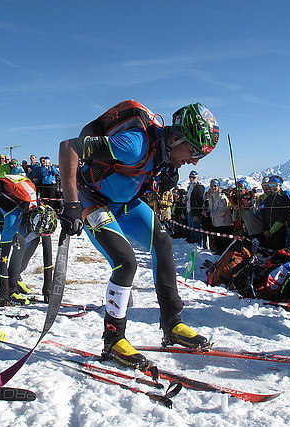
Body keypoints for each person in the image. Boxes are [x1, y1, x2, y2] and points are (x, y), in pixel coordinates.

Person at [58, 101, 219, 369]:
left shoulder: (164, 154)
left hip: (124, 202)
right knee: (126, 262)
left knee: (162, 242)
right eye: (194, 151)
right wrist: (71, 204)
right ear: (177, 137)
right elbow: (69, 147)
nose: (194, 160)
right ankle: (113, 340)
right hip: (94, 201)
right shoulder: (134, 145)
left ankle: (172, 324)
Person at [0, 192, 56, 306]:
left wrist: (48, 286)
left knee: (34, 239)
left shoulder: (43, 214)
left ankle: (15, 276)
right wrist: (5, 290)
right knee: (20, 243)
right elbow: (3, 256)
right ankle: (12, 287)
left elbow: (47, 251)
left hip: (21, 212)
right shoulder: (13, 217)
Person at [260, 176, 290, 250]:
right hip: (268, 230)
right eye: (271, 185)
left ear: (280, 186)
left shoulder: (284, 198)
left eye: (276, 185)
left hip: (279, 230)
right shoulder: (268, 198)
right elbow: (263, 214)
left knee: (279, 250)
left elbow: (282, 217)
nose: (273, 187)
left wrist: (272, 231)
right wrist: (264, 229)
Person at [205, 179, 233, 254]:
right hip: (215, 223)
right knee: (217, 243)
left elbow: (222, 211)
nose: (213, 188)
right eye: (211, 186)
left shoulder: (222, 197)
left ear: (218, 186)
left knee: (224, 244)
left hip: (224, 223)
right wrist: (207, 212)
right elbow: (211, 208)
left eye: (215, 186)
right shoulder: (210, 196)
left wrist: (210, 214)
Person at [186, 170, 205, 246]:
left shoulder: (199, 187)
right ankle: (193, 242)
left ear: (197, 178)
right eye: (190, 177)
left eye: (193, 177)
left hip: (194, 212)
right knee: (191, 228)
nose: (191, 179)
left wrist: (197, 214)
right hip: (189, 210)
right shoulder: (189, 187)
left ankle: (199, 244)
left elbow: (199, 202)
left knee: (196, 229)